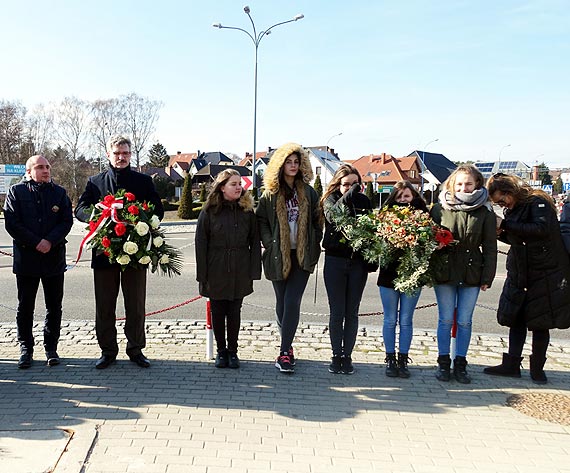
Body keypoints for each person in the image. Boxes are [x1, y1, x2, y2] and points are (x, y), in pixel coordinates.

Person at [75, 135, 163, 369]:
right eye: (117, 153)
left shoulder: (143, 182)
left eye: (125, 153)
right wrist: (97, 215)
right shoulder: (95, 182)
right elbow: (80, 208)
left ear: (130, 154)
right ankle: (107, 351)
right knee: (105, 305)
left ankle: (135, 349)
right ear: (108, 155)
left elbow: (158, 209)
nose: (121, 157)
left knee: (135, 304)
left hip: (135, 254)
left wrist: (144, 217)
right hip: (104, 253)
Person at [483, 174, 570, 384]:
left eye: (501, 200)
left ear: (509, 191)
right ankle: (511, 364)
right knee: (516, 318)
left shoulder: (538, 202)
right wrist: (499, 232)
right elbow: (516, 238)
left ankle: (537, 368)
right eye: (497, 203)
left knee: (541, 322)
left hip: (544, 271)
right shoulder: (513, 208)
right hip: (521, 269)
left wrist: (504, 224)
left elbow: (540, 230)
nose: (500, 204)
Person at [256, 142, 323, 373]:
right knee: (282, 302)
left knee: (293, 302)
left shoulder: (309, 192)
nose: (293, 166)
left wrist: (314, 243)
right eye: (289, 162)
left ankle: (284, 352)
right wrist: (269, 241)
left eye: (296, 162)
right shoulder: (271, 194)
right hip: (278, 255)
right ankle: (288, 345)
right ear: (280, 164)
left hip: (302, 256)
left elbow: (317, 221)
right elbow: (261, 220)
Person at [3, 155, 73, 369]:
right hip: (27, 259)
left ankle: (51, 348)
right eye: (40, 167)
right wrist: (36, 242)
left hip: (53, 258)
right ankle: (26, 349)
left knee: (54, 306)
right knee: (25, 306)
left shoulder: (59, 193)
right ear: (29, 171)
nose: (46, 170)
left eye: (47, 167)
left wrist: (50, 241)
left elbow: (66, 221)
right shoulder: (17, 192)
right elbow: (12, 223)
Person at [430, 165, 497, 383]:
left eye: (468, 183)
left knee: (465, 321)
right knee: (446, 320)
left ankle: (460, 363)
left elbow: (489, 246)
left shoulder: (485, 212)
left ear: (477, 183)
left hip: (471, 272)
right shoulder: (439, 209)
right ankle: (443, 363)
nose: (463, 188)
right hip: (445, 271)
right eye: (459, 183)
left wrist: (487, 276)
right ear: (452, 184)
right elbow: (428, 240)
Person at [195, 169, 261, 369]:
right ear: (222, 187)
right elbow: (200, 243)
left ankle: (233, 351)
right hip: (216, 267)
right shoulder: (209, 211)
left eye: (240, 183)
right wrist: (202, 275)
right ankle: (221, 351)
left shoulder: (247, 211)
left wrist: (253, 271)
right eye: (233, 184)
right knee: (217, 311)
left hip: (240, 268)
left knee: (234, 311)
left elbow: (254, 242)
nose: (238, 187)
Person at [321, 164, 376, 375]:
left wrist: (372, 258)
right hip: (335, 261)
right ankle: (336, 355)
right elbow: (335, 216)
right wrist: (349, 194)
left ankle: (348, 355)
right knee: (337, 311)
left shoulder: (364, 201)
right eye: (346, 184)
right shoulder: (330, 200)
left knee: (352, 311)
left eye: (355, 184)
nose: (351, 188)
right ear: (338, 184)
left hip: (357, 263)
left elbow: (371, 230)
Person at [378, 181, 428, 378]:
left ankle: (403, 358)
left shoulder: (423, 216)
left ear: (413, 196)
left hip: (412, 274)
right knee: (390, 319)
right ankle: (390, 358)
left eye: (406, 197)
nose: (403, 201)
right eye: (399, 197)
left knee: (406, 320)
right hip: (389, 273)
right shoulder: (385, 215)